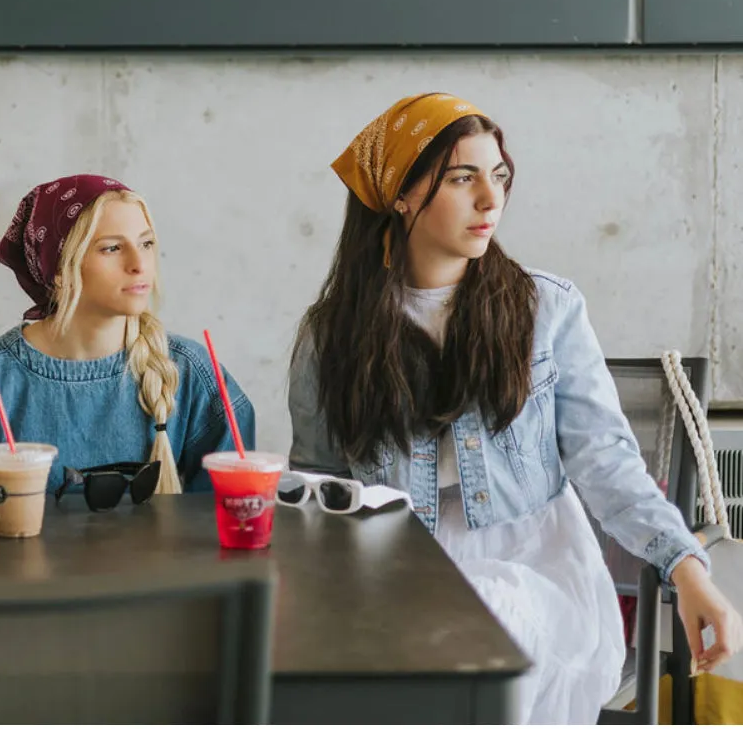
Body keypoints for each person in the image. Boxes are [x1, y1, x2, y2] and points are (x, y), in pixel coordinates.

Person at [288, 92, 741, 723]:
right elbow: (319, 482)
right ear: (401, 193)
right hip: (391, 568)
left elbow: (606, 462)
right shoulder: (331, 333)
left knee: (478, 622)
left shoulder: (545, 310)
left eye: (497, 176)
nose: (489, 199)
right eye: (461, 178)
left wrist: (686, 568)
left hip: (533, 565)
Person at [0, 174, 254, 497]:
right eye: (112, 248)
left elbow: (231, 508)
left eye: (146, 243)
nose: (140, 264)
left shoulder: (192, 371)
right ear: (59, 271)